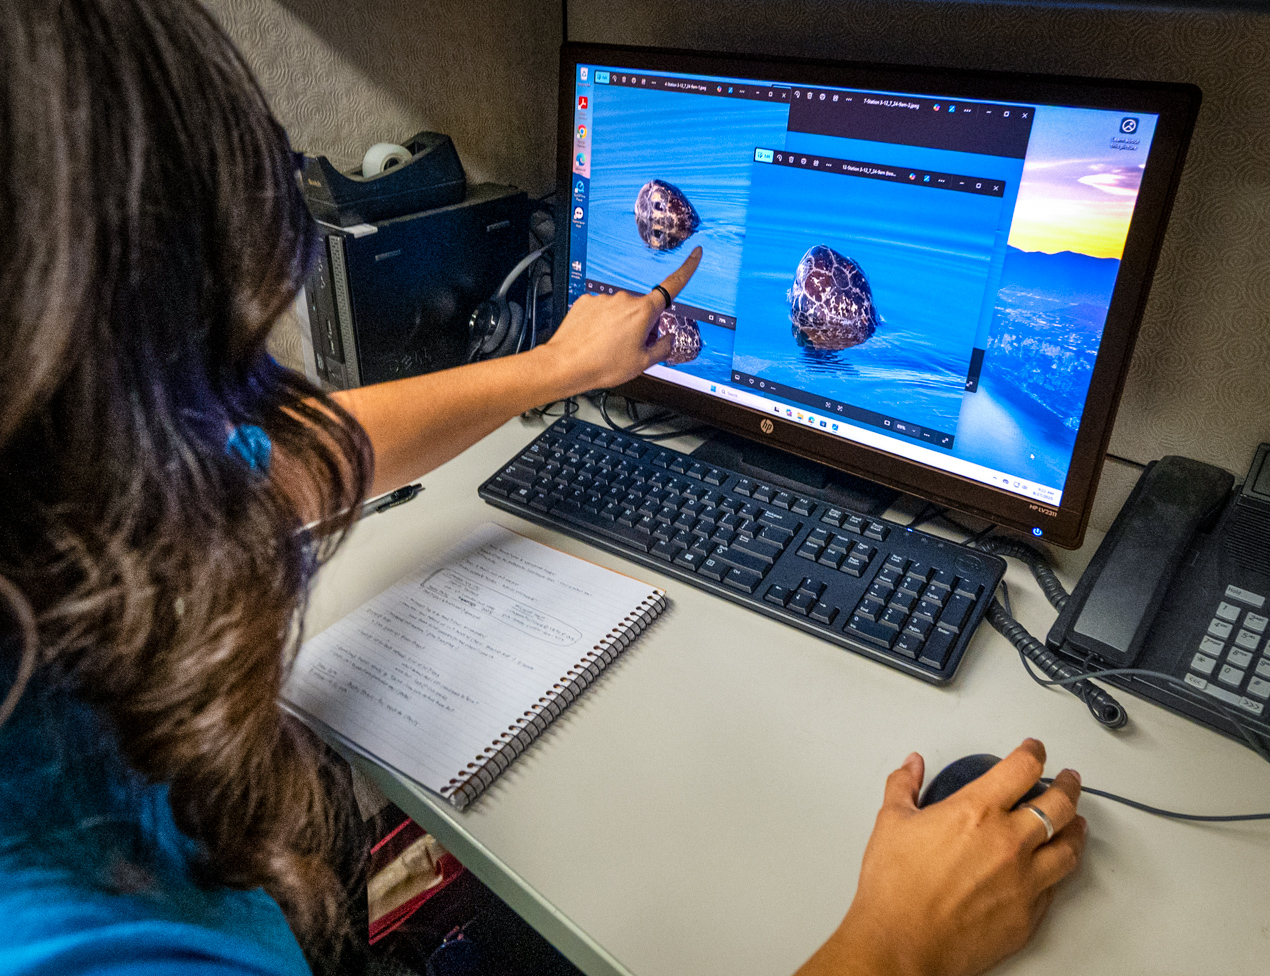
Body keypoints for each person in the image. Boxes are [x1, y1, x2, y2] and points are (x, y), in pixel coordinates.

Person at [0, 2, 1085, 975]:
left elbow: (283, 461)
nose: (249, 412)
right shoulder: (94, 945)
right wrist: (895, 944)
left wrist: (558, 367)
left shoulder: (64, 510)